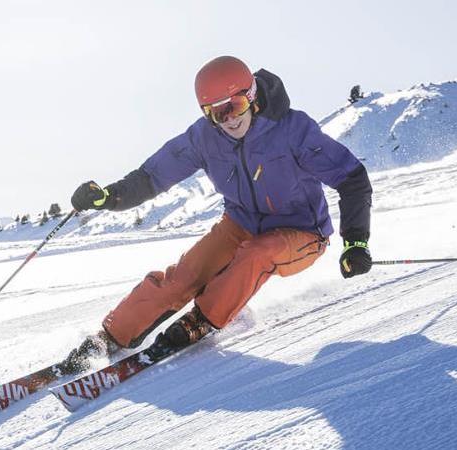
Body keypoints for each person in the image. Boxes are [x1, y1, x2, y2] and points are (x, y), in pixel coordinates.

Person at [59, 55, 373, 371]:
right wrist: (108, 197)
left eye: (234, 106)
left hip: (302, 233)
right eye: (216, 112)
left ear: (251, 97)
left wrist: (356, 242)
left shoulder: (292, 130)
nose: (229, 120)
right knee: (183, 277)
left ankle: (201, 321)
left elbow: (352, 179)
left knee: (257, 254)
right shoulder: (204, 138)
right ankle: (111, 336)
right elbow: (153, 176)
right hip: (241, 224)